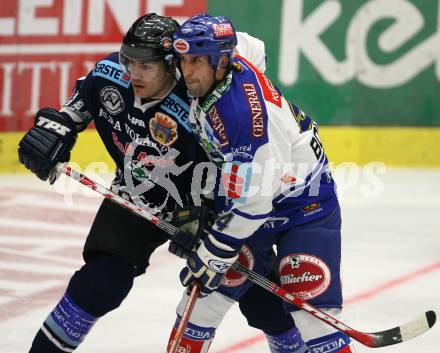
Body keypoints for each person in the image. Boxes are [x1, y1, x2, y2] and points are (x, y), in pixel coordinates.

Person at [17, 13, 297, 353]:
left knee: (261, 301)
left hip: (208, 205)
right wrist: (55, 129)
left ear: (171, 65)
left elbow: (241, 164)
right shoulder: (109, 76)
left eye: (145, 66)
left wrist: (208, 218)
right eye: (128, 61)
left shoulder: (203, 99)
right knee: (101, 282)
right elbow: (75, 108)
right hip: (139, 192)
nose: (133, 73)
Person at [167, 13, 356, 353]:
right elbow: (255, 45)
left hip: (305, 206)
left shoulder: (244, 120)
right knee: (200, 305)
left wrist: (213, 253)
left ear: (220, 61)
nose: (187, 71)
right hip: (254, 195)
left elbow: (253, 205)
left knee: (313, 318)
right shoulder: (235, 57)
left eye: (196, 61)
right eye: (183, 60)